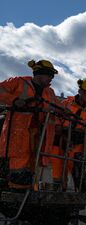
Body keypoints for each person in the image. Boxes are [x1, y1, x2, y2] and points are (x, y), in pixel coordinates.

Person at [0, 59, 61, 189]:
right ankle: (14, 192)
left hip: (38, 135)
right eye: (49, 76)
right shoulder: (18, 82)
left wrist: (64, 112)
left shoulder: (49, 92)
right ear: (39, 74)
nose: (51, 79)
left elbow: (57, 106)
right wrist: (14, 100)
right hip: (17, 133)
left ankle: (25, 191)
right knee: (17, 164)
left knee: (32, 164)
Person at [51, 78, 86, 192]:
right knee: (59, 165)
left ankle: (82, 189)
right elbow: (56, 118)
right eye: (85, 92)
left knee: (78, 165)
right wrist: (58, 127)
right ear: (80, 90)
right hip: (62, 137)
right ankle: (58, 189)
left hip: (80, 140)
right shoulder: (67, 103)